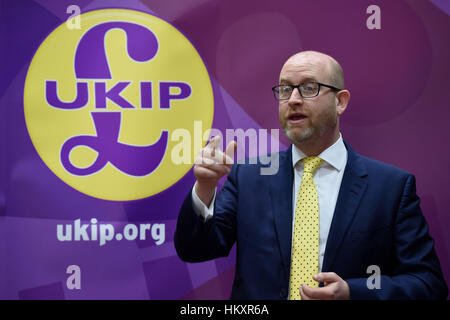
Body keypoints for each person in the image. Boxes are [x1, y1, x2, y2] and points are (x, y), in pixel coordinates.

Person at [174, 51, 448, 300]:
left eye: (308, 88)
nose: (293, 99)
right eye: (284, 89)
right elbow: (195, 249)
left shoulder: (390, 187)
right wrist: (205, 188)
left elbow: (428, 284)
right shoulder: (248, 178)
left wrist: (354, 292)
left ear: (340, 102)